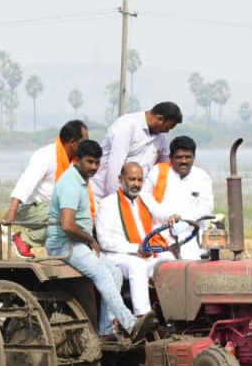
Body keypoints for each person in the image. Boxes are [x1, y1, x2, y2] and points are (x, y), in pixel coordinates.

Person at [46, 140, 154, 341]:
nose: (94, 167)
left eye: (97, 163)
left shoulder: (80, 179)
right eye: (89, 162)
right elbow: (68, 226)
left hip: (77, 244)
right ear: (78, 160)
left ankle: (105, 330)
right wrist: (90, 239)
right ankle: (130, 323)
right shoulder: (70, 184)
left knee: (114, 272)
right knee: (103, 274)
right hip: (64, 245)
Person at [95, 162, 176, 318]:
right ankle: (143, 316)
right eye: (132, 179)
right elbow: (104, 241)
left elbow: (161, 212)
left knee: (169, 260)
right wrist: (135, 249)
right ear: (120, 179)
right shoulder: (107, 204)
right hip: (118, 256)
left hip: (144, 253)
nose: (136, 184)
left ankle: (171, 313)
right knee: (137, 265)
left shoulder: (145, 199)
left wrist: (172, 216)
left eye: (139, 180)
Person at [1, 120, 89, 258]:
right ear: (73, 142)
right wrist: (12, 209)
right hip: (30, 208)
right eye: (84, 142)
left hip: (51, 208)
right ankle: (24, 239)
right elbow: (26, 182)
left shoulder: (75, 162)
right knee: (67, 219)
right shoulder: (46, 156)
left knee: (81, 218)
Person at [90, 102, 182, 202]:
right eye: (167, 128)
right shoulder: (126, 125)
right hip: (103, 195)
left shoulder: (161, 136)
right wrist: (115, 202)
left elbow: (166, 165)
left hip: (133, 198)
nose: (167, 131)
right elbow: (115, 168)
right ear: (160, 118)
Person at [144, 135, 213, 259]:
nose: (183, 161)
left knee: (194, 264)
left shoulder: (202, 177)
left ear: (194, 157)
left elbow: (207, 207)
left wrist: (182, 219)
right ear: (170, 158)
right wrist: (167, 216)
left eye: (188, 157)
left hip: (192, 234)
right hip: (161, 234)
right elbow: (145, 200)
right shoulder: (157, 172)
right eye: (179, 157)